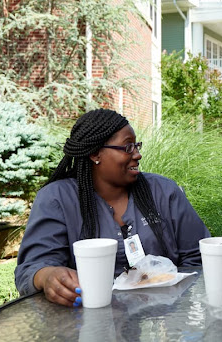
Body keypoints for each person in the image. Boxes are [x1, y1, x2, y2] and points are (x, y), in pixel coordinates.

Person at [15, 109, 210, 307]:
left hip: (164, 323)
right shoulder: (57, 199)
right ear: (95, 154)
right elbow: (32, 268)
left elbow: (199, 256)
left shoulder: (163, 191)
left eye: (137, 146)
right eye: (127, 147)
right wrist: (48, 276)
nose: (138, 154)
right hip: (86, 322)